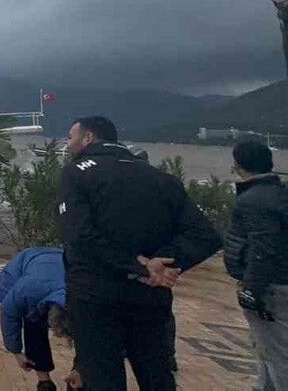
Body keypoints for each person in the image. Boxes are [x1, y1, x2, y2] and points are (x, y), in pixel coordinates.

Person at [60, 116, 222, 390]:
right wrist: (164, 262)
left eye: (70, 137)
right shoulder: (162, 178)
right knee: (156, 374)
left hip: (95, 297)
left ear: (88, 138)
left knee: (102, 378)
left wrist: (137, 265)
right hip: (151, 296)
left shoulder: (76, 173)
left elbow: (79, 235)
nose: (67, 145)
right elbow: (206, 236)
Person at [224, 140, 288, 391]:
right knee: (267, 350)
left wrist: (251, 288)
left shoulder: (253, 200)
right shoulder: (285, 195)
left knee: (277, 357)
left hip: (270, 288)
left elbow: (263, 248)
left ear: (238, 165)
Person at [0, 246, 78, 391]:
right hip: (24, 265)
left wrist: (82, 370)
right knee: (32, 321)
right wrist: (16, 352)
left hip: (59, 262)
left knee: (85, 331)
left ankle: (76, 378)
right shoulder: (27, 290)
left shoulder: (84, 293)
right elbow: (8, 313)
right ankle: (44, 382)